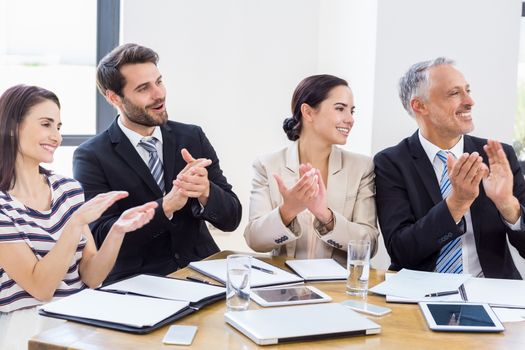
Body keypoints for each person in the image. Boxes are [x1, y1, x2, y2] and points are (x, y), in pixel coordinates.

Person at [0, 84, 157, 349]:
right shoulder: (4, 205)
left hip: (80, 316)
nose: (56, 137)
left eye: (59, 127)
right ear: (13, 126)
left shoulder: (67, 189)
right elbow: (41, 288)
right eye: (46, 124)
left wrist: (117, 230)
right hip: (29, 326)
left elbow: (92, 276)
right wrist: (75, 224)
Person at [73, 43, 242, 283]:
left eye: (159, 82)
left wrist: (206, 192)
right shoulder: (91, 156)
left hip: (204, 274)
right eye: (143, 88)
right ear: (114, 97)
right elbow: (100, 236)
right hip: (138, 284)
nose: (159, 94)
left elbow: (231, 219)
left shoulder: (192, 137)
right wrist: (165, 206)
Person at [374, 57, 525, 278]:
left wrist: (507, 205)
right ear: (419, 105)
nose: (470, 101)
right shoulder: (391, 163)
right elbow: (401, 251)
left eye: (467, 90)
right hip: (420, 293)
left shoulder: (497, 156)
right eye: (454, 93)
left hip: (493, 292)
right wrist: (457, 204)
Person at [244, 74, 379, 264]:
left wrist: (326, 216)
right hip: (284, 286)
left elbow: (369, 244)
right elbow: (255, 240)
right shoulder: (267, 165)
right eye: (340, 108)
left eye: (352, 111)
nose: (350, 119)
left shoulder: (362, 167)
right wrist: (288, 210)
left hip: (338, 288)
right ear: (307, 112)